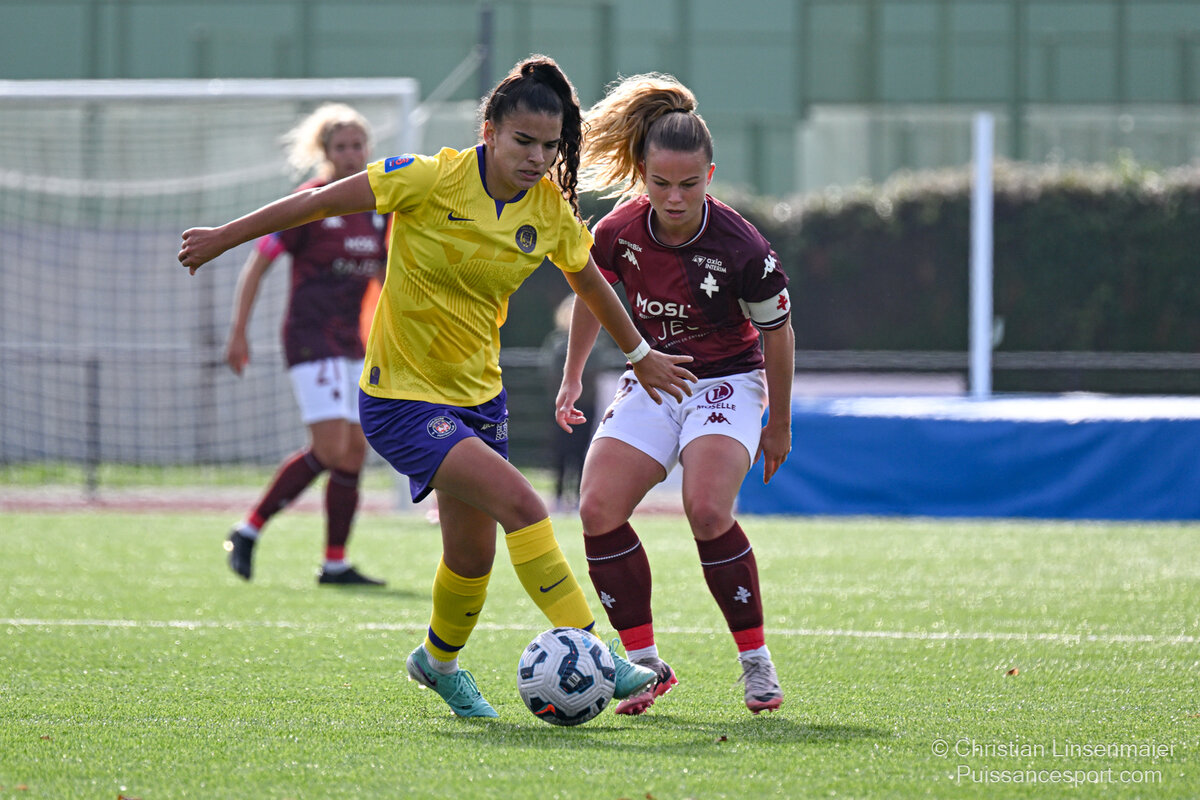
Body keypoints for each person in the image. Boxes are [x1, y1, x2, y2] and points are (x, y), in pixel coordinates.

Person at [178, 55, 697, 719]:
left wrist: (640, 354)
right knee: (525, 506)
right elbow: (317, 202)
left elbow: (592, 285)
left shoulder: (548, 210)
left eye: (550, 146)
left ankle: (437, 664)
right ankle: (599, 653)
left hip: (479, 397)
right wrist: (225, 237)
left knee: (472, 556)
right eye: (523, 141)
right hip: (400, 398)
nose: (537, 158)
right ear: (489, 131)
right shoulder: (427, 178)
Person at [555, 74, 794, 716]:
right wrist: (574, 374)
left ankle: (755, 661)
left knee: (707, 511)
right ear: (642, 174)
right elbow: (592, 296)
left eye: (689, 184)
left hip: (728, 382)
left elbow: (778, 333)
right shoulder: (620, 229)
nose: (675, 197)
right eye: (661, 183)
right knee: (597, 508)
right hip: (653, 378)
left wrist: (778, 423)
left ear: (710, 175)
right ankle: (645, 666)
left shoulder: (742, 248)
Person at [223, 103, 387, 586]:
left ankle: (334, 562)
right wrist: (238, 330)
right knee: (332, 448)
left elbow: (383, 277)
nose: (352, 154)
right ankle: (248, 529)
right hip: (311, 338)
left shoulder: (377, 208)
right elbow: (258, 263)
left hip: (352, 343)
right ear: (326, 152)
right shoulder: (309, 203)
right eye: (342, 147)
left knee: (353, 452)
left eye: (358, 145)